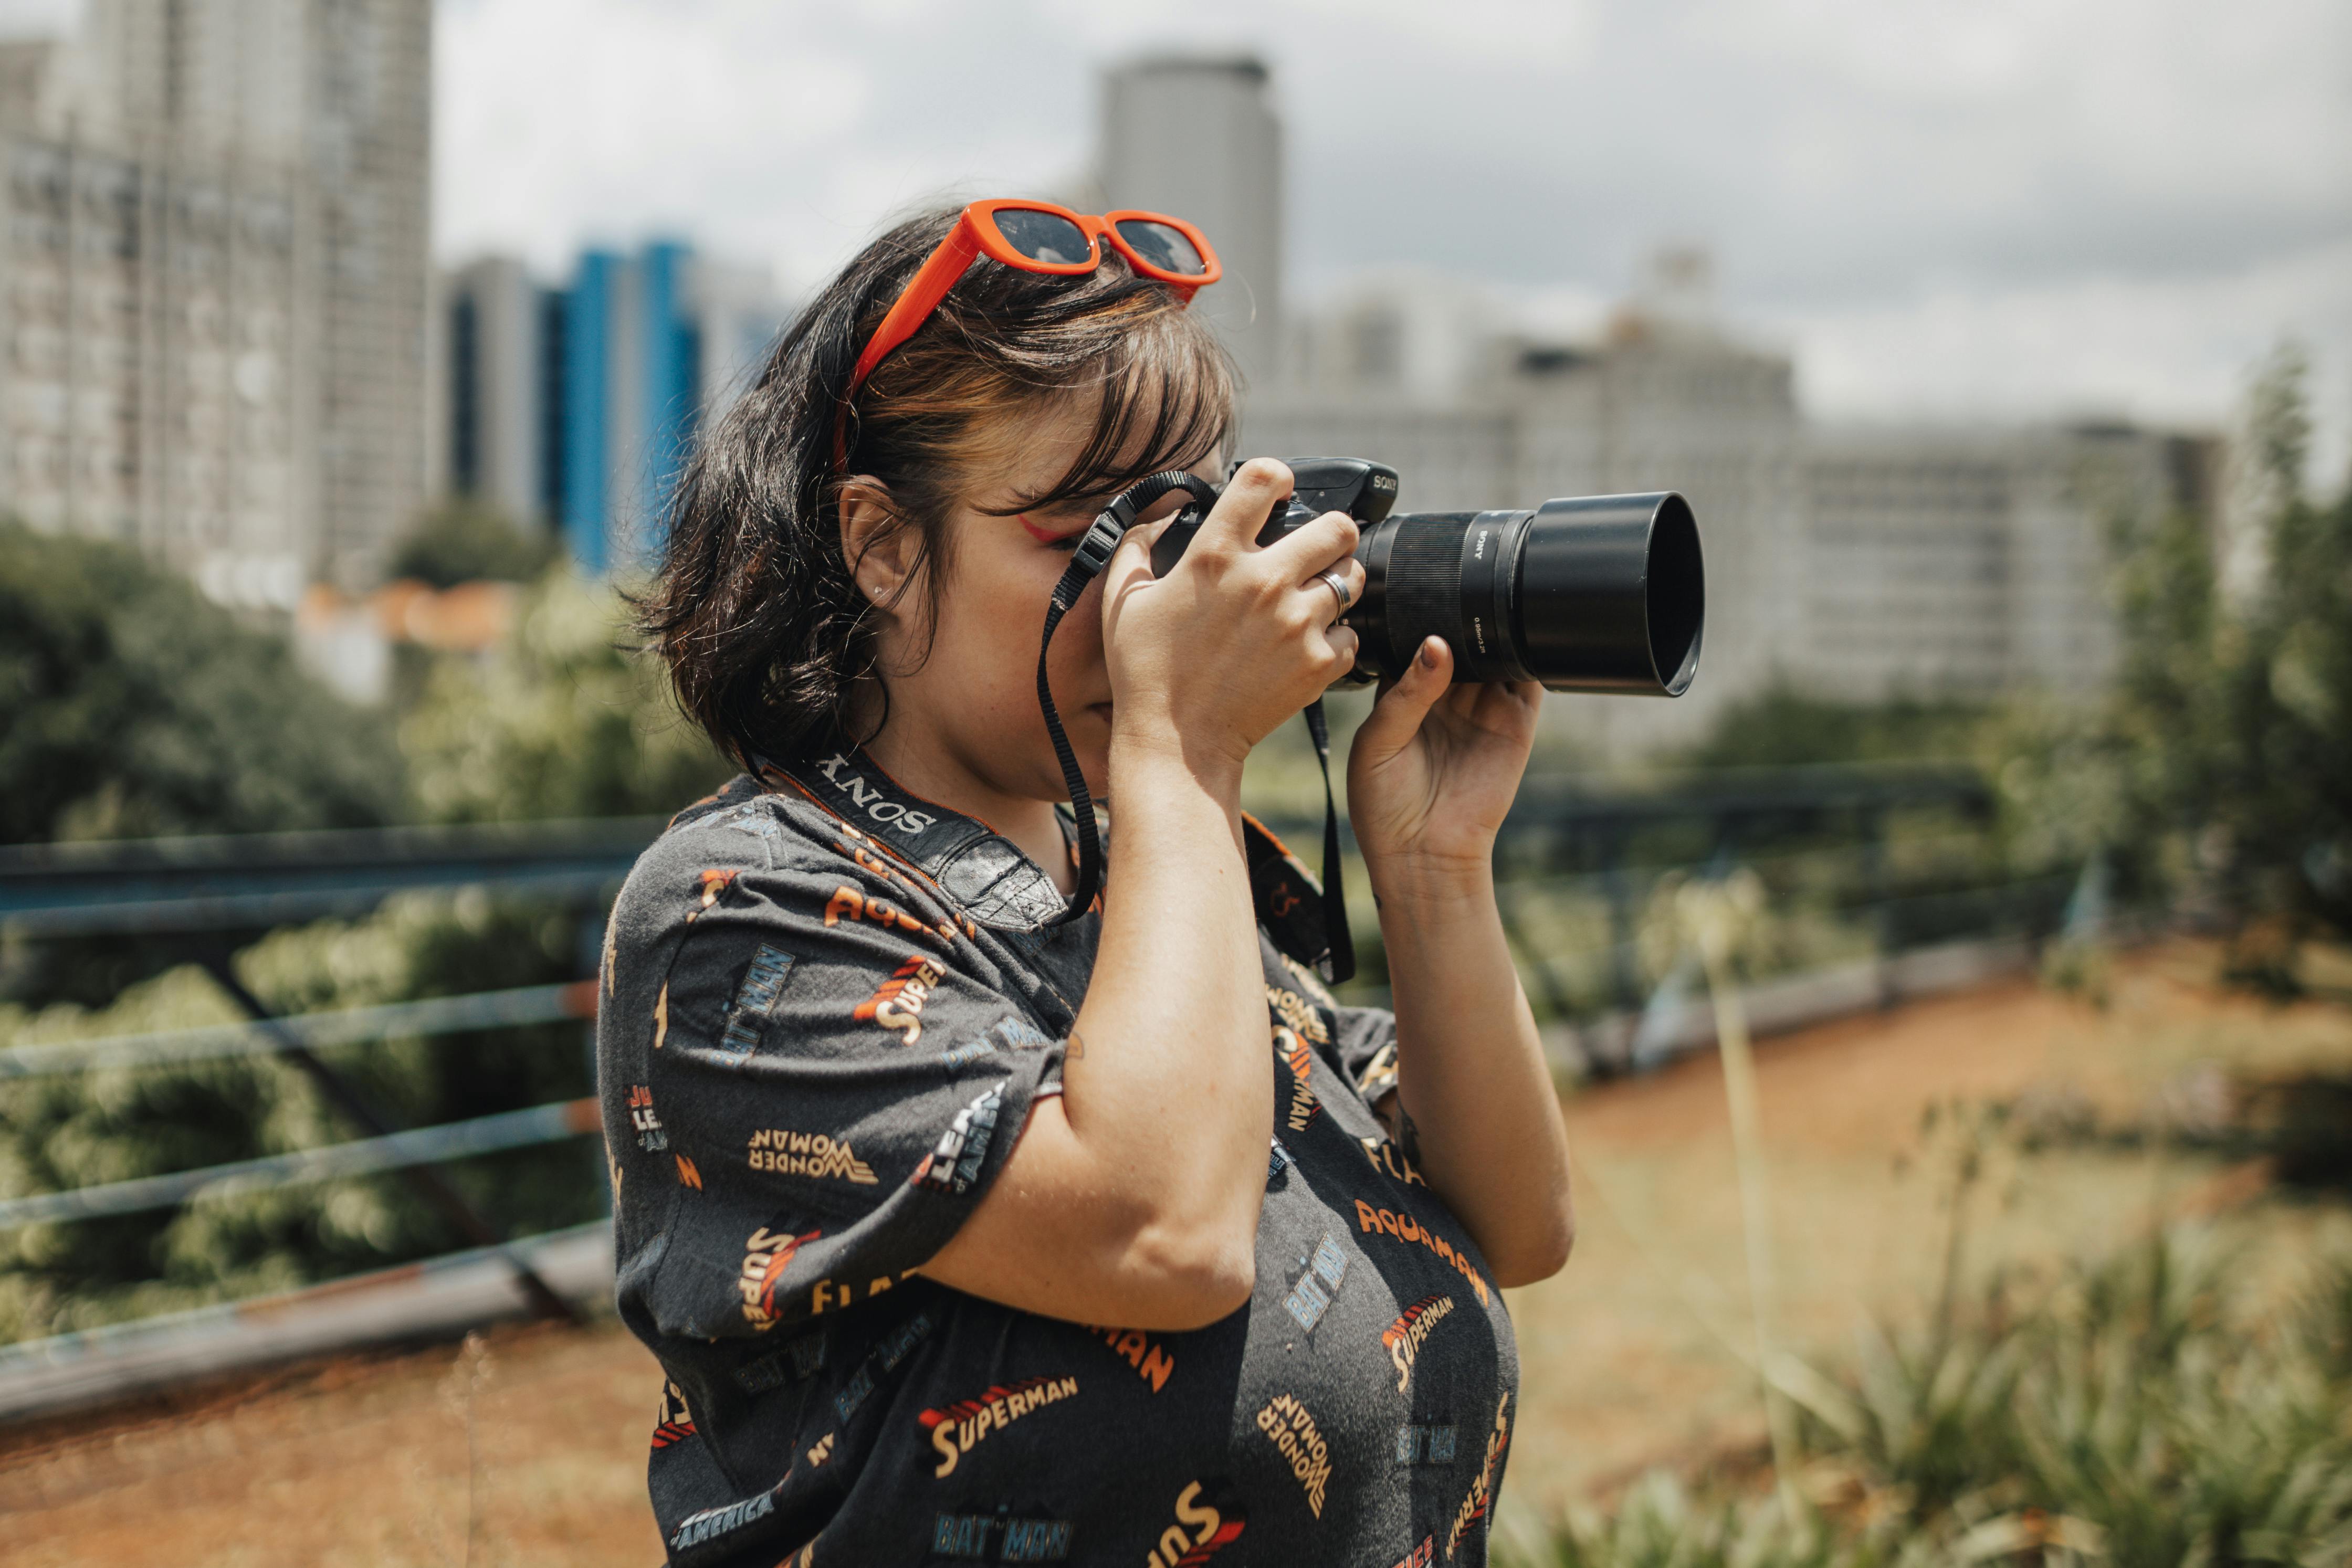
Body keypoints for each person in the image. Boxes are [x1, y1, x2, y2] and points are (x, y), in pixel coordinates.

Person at [603, 198, 1575, 1568]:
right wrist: (1181, 749)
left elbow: (1518, 1218)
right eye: (1088, 535)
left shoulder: (1163, 883)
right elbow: (1162, 1230)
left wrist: (1434, 867)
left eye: (1185, 530)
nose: (1156, 596)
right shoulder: (737, 907)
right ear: (882, 544)